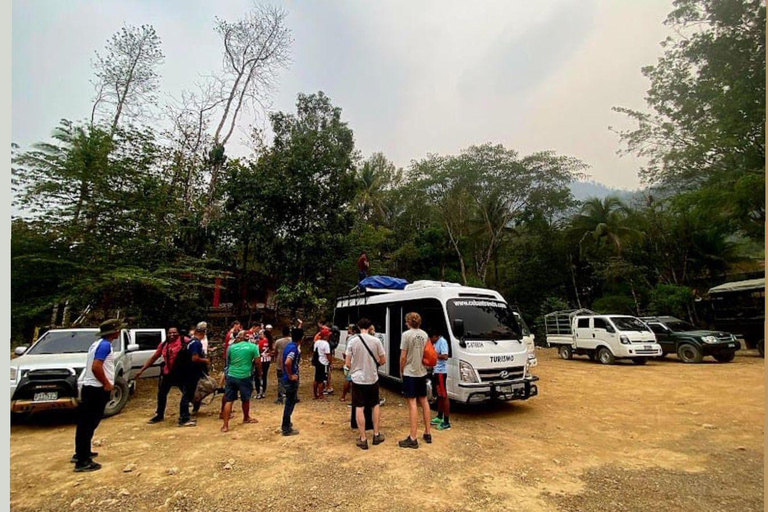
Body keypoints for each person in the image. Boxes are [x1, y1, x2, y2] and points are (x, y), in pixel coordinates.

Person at [72, 319, 123, 472]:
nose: (119, 332)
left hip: (91, 388)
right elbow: (96, 367)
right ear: (114, 332)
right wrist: (107, 383)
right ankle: (82, 461)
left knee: (86, 424)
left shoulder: (98, 344)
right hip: (96, 388)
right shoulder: (105, 345)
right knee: (88, 424)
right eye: (118, 330)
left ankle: (82, 452)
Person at [345, 318, 386, 450]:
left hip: (357, 379)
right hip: (372, 378)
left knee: (359, 407)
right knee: (375, 405)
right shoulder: (376, 341)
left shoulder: (352, 341)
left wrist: (355, 368)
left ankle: (363, 438)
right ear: (370, 327)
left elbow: (347, 363)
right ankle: (376, 434)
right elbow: (383, 360)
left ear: (358, 327)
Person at [136, 327, 189, 424]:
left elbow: (195, 348)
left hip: (181, 373)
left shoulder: (184, 341)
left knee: (187, 394)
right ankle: (159, 414)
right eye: (170, 333)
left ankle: (187, 413)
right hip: (168, 373)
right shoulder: (164, 344)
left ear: (178, 333)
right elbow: (154, 357)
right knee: (162, 394)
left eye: (174, 333)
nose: (172, 335)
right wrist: (142, 369)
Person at [398, 312, 432, 449]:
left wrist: (401, 370)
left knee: (412, 403)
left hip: (410, 372)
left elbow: (403, 357)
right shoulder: (424, 334)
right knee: (424, 400)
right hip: (421, 371)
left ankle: (413, 437)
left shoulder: (406, 335)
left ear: (408, 322)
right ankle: (428, 432)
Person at [221, 330, 261, 432]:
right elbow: (257, 362)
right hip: (245, 376)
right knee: (245, 399)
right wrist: (260, 373)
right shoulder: (253, 347)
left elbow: (228, 361)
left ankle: (225, 425)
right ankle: (246, 417)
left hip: (231, 375)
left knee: (229, 400)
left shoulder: (231, 347)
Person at [179, 326, 211, 427]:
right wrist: (205, 360)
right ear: (202, 333)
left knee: (188, 393)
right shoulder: (196, 343)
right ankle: (184, 418)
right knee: (187, 394)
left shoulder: (190, 341)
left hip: (187, 370)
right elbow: (195, 358)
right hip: (192, 371)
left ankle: (187, 414)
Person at [281, 326, 302, 436]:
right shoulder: (293, 348)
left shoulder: (289, 345)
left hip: (286, 377)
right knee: (290, 402)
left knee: (290, 401)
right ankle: (286, 427)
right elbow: (288, 362)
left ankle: (287, 423)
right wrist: (291, 375)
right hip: (290, 380)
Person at [429, 331, 451, 430]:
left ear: (435, 336)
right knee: (439, 395)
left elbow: (445, 356)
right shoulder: (435, 343)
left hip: (441, 372)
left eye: (431, 338)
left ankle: (446, 422)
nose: (431, 340)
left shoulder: (442, 341)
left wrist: (434, 355)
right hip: (436, 371)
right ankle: (439, 416)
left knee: (444, 395)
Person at [339, 324, 359, 403]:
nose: (348, 331)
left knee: (348, 379)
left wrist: (346, 360)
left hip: (351, 361)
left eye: (350, 329)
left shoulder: (350, 338)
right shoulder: (362, 338)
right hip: (358, 361)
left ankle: (343, 396)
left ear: (354, 331)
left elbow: (347, 351)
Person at [273, 326, 292, 404]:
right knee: (291, 380)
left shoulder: (278, 341)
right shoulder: (292, 340)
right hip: (290, 363)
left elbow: (275, 351)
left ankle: (280, 398)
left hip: (280, 363)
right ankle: (291, 396)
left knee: (280, 381)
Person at [312, 332, 331, 400]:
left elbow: (314, 352)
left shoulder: (317, 342)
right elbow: (328, 354)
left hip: (317, 361)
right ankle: (321, 395)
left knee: (316, 379)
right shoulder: (326, 344)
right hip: (323, 362)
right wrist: (330, 362)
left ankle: (315, 394)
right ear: (325, 336)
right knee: (321, 380)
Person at [257, 331, 272, 399]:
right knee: (265, 376)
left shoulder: (260, 342)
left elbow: (258, 351)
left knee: (258, 375)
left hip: (261, 360)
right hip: (267, 360)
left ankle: (259, 392)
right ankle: (263, 392)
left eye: (260, 334)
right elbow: (271, 351)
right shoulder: (269, 341)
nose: (259, 335)